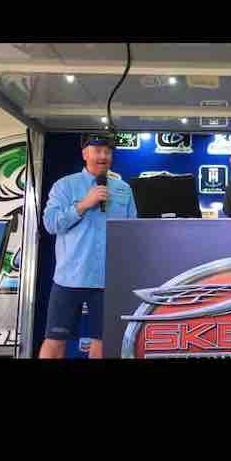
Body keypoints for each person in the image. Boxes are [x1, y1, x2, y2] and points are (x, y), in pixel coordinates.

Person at [39, 133, 138, 359]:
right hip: (69, 279)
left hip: (107, 281)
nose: (103, 156)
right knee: (54, 341)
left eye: (107, 152)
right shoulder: (64, 186)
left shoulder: (123, 189)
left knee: (102, 344)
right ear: (85, 154)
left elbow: (131, 232)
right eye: (97, 151)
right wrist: (83, 204)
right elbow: (51, 224)